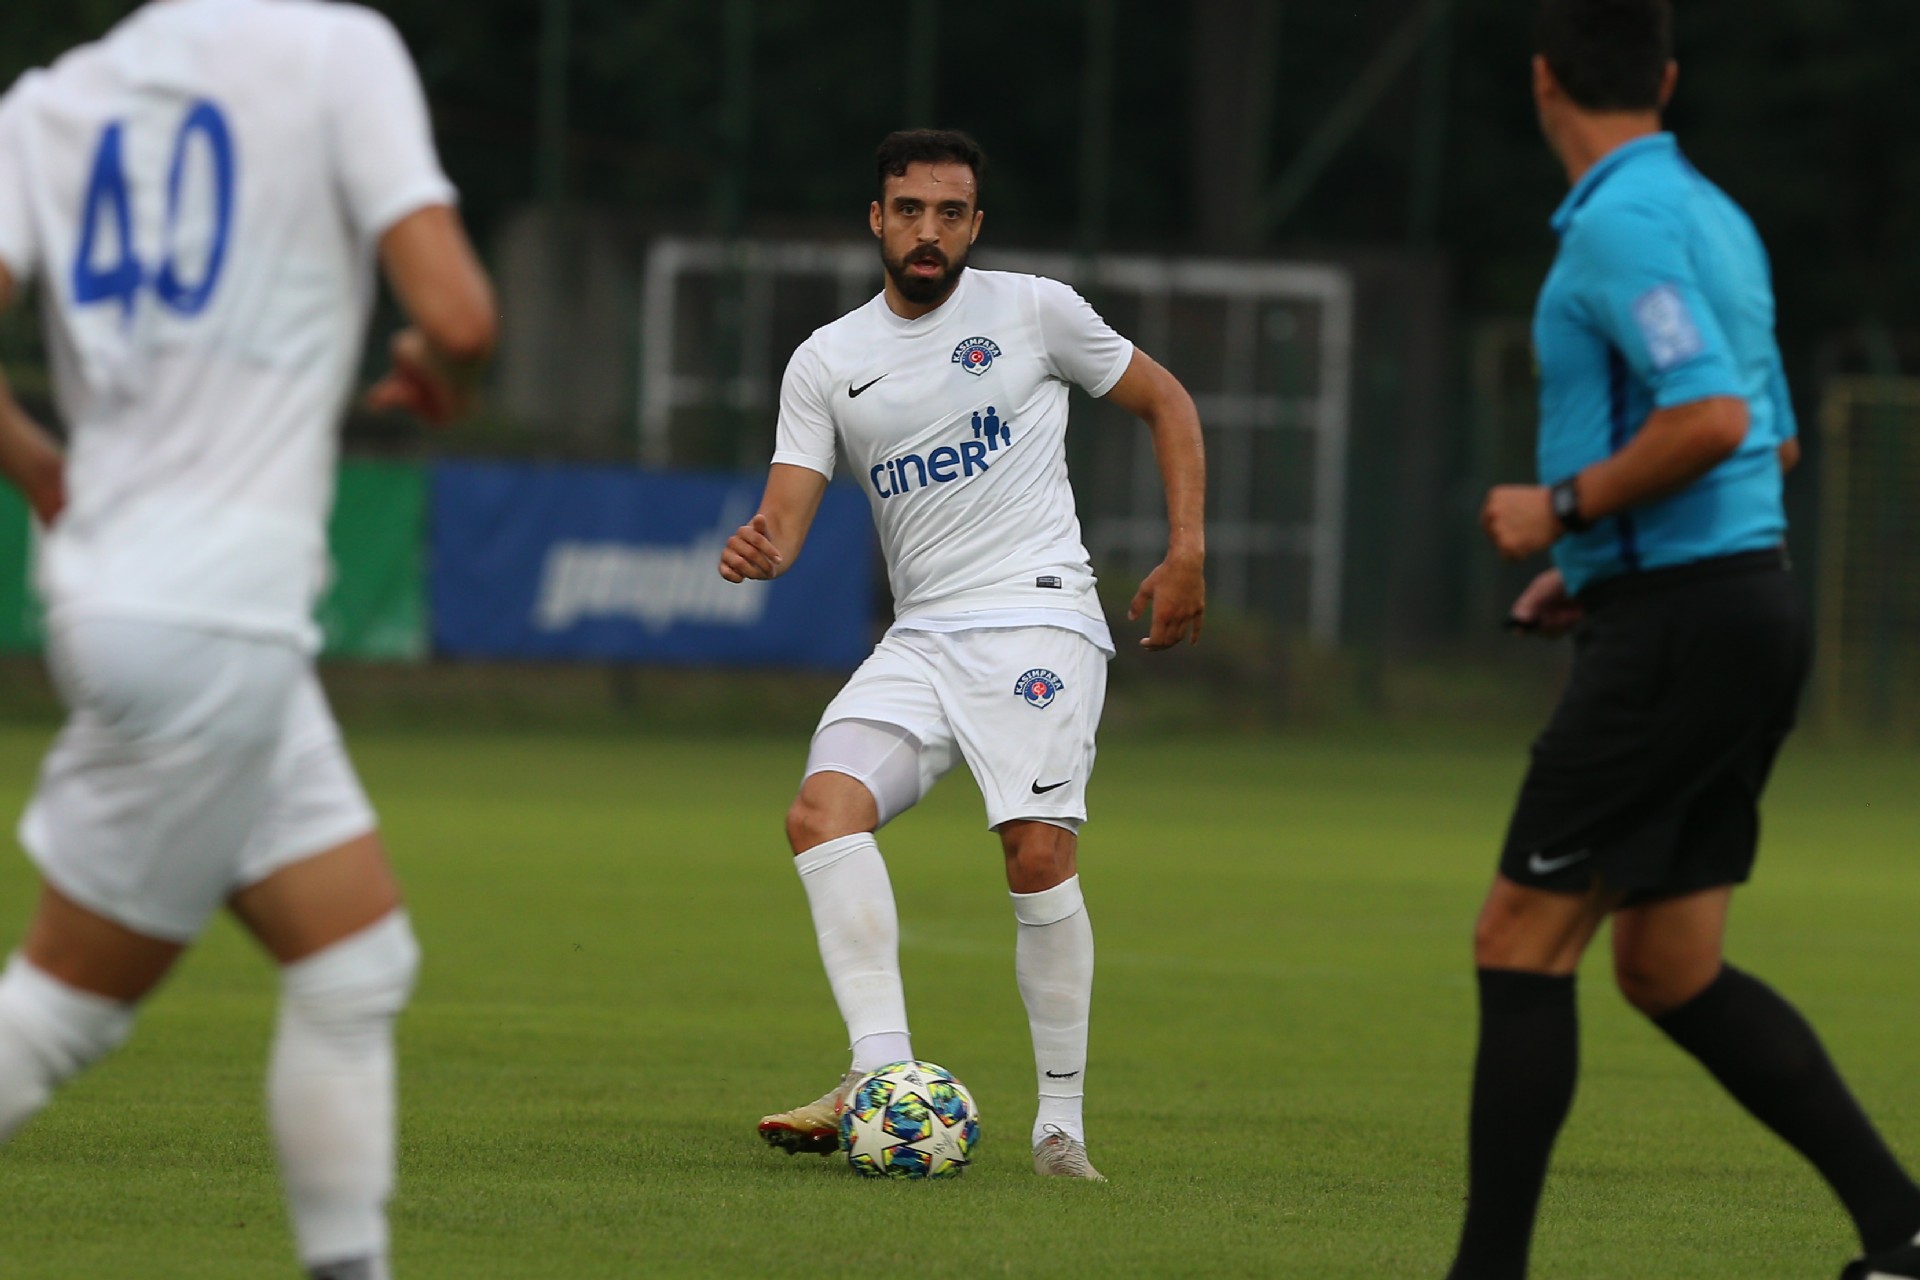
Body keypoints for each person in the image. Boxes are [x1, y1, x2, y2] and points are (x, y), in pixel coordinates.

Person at [0, 2, 495, 1277]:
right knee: (60, 1010)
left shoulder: (52, 101)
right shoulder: (337, 51)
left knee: (354, 962)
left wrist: (41, 467)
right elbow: (460, 317)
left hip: (138, 599)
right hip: (217, 616)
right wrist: (440, 367)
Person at [1451, 3, 1920, 1277]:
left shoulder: (1622, 224)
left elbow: (1711, 417)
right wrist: (1592, 563)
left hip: (1683, 627)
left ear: (1543, 80)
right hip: (1739, 603)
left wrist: (1560, 510)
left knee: (1518, 935)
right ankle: (1904, 1229)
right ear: (1665, 77)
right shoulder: (1716, 217)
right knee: (1668, 963)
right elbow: (1775, 439)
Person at [719, 129, 1205, 1181]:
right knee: (821, 813)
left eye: (950, 213)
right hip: (923, 636)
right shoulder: (828, 358)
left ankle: (1060, 1128)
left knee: (1036, 850)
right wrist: (763, 549)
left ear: (976, 225)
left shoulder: (1035, 310)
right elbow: (785, 522)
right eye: (909, 210)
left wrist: (1188, 549)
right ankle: (879, 1073)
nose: (928, 231)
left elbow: (1166, 400)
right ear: (877, 220)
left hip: (1039, 617)